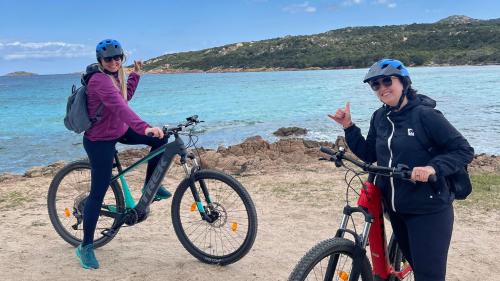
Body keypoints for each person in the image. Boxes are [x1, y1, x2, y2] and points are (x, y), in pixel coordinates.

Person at [329, 58, 474, 281]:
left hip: (429, 209)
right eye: (375, 85)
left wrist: (432, 167)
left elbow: (463, 150)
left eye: (387, 81)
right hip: (396, 209)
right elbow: (370, 154)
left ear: (403, 82)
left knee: (429, 277)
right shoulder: (380, 117)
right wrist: (349, 127)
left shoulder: (426, 116)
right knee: (416, 266)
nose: (382, 88)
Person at [77, 39, 172, 269]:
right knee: (97, 193)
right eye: (109, 58)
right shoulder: (99, 81)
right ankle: (86, 247)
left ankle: (151, 186)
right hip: (99, 140)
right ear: (100, 60)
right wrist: (144, 126)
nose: (114, 61)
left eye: (118, 57)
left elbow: (124, 97)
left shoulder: (116, 75)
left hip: (118, 129)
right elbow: (121, 108)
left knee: (161, 139)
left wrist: (136, 74)